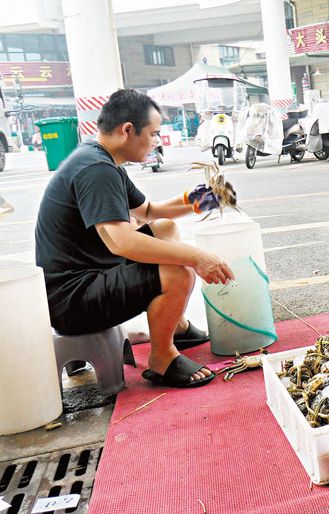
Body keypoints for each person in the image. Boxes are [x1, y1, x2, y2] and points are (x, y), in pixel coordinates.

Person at [35, 89, 236, 389]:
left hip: (89, 276)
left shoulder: (101, 159)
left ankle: (174, 324)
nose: (156, 141)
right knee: (177, 273)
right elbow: (122, 242)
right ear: (128, 130)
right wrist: (196, 257)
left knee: (165, 230)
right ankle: (162, 357)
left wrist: (206, 199)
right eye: (153, 133)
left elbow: (148, 211)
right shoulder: (96, 170)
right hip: (73, 301)